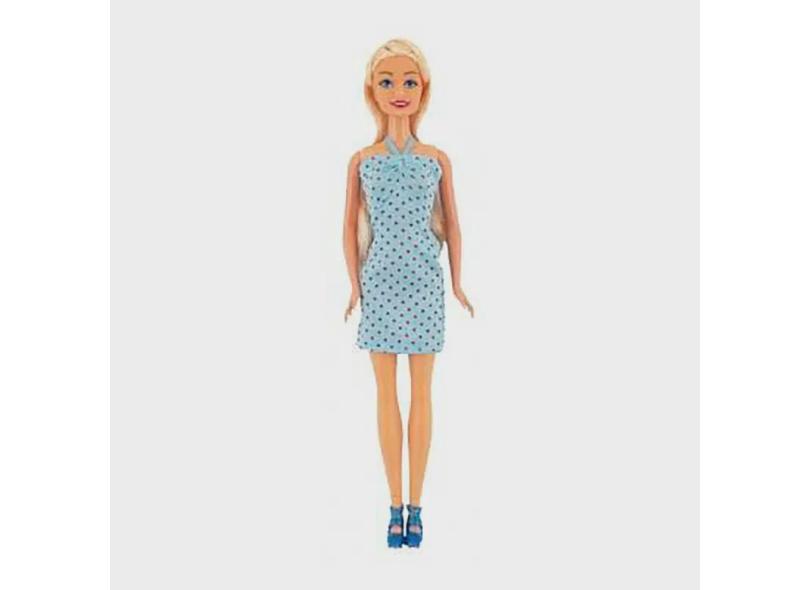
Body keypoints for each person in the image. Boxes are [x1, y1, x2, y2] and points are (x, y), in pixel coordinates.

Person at [342, 38, 475, 548]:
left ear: (424, 89)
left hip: (424, 285)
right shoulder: (362, 161)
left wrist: (457, 282)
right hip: (379, 285)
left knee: (421, 394)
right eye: (387, 81)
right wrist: (354, 285)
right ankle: (392, 504)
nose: (399, 90)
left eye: (409, 81)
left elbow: (454, 225)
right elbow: (347, 228)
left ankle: (416, 507)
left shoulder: (436, 159)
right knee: (385, 395)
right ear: (371, 91)